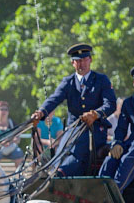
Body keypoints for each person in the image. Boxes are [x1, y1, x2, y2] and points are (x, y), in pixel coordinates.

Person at [31, 42, 116, 176]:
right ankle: (51, 172)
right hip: (72, 130)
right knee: (62, 150)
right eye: (77, 61)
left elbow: (110, 104)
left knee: (77, 151)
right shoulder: (68, 82)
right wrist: (41, 112)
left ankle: (60, 173)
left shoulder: (101, 80)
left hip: (94, 130)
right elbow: (54, 99)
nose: (81, 64)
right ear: (72, 63)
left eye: (84, 60)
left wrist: (95, 114)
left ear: (90, 60)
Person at [0, 100, 24, 169]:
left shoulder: (12, 123)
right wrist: (1, 142)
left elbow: (18, 139)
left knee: (19, 153)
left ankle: (19, 176)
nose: (4, 111)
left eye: (6, 109)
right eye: (2, 109)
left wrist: (10, 141)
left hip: (11, 148)